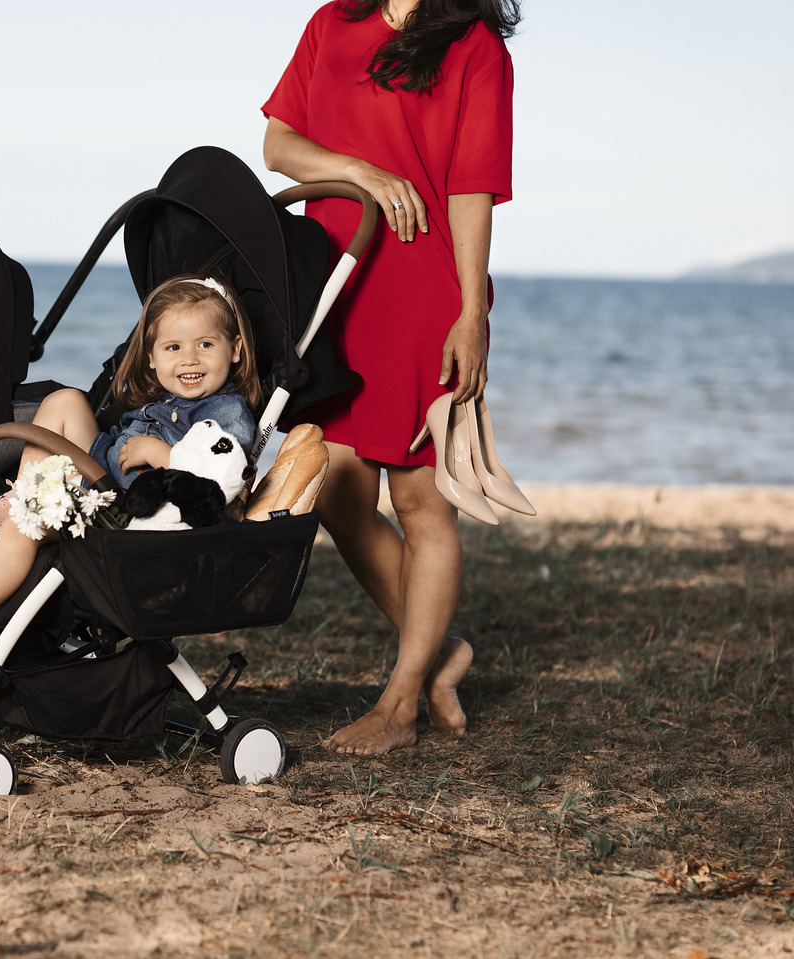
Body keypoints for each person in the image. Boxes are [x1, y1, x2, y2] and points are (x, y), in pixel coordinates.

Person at [261, 0, 520, 755]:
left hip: (422, 291)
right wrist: (357, 170)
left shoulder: (474, 47)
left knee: (420, 501)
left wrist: (469, 311)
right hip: (333, 287)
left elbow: (472, 187)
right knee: (335, 488)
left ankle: (401, 704)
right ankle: (439, 654)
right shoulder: (331, 24)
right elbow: (279, 145)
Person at [0, 275, 261, 663]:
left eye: (205, 344)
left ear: (234, 349)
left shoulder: (226, 412)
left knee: (25, 526)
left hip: (132, 518)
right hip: (104, 482)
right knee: (64, 400)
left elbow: (217, 480)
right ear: (151, 357)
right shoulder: (165, 399)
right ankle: (23, 494)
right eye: (173, 347)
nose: (190, 358)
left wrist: (159, 453)